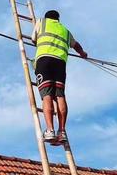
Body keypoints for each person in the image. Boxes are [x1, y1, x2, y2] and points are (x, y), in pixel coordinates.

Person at [31, 9, 88, 144]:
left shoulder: (41, 22)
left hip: (44, 60)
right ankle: (62, 131)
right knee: (60, 95)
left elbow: (34, 39)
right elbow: (76, 45)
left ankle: (50, 130)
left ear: (47, 17)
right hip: (60, 63)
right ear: (58, 19)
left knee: (47, 95)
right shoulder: (66, 31)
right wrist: (83, 54)